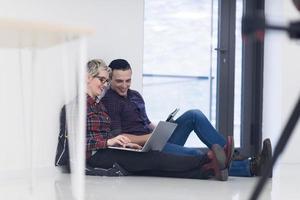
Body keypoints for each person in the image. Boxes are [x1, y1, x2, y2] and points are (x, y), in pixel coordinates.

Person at [59, 58, 233, 181]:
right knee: (154, 159)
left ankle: (208, 169)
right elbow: (76, 143)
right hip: (97, 156)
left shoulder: (99, 105)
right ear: (87, 78)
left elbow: (107, 135)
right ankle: (210, 160)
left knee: (154, 163)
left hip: (111, 149)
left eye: (105, 80)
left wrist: (123, 143)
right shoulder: (77, 106)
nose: (104, 84)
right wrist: (111, 141)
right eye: (102, 80)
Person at [101, 59, 272, 177]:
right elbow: (119, 138)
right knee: (196, 155)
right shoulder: (110, 100)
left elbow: (145, 123)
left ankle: (231, 155)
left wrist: (162, 128)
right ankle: (252, 167)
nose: (124, 86)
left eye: (128, 80)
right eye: (119, 82)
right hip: (146, 148)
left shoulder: (135, 95)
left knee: (194, 115)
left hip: (156, 139)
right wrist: (151, 137)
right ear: (110, 80)